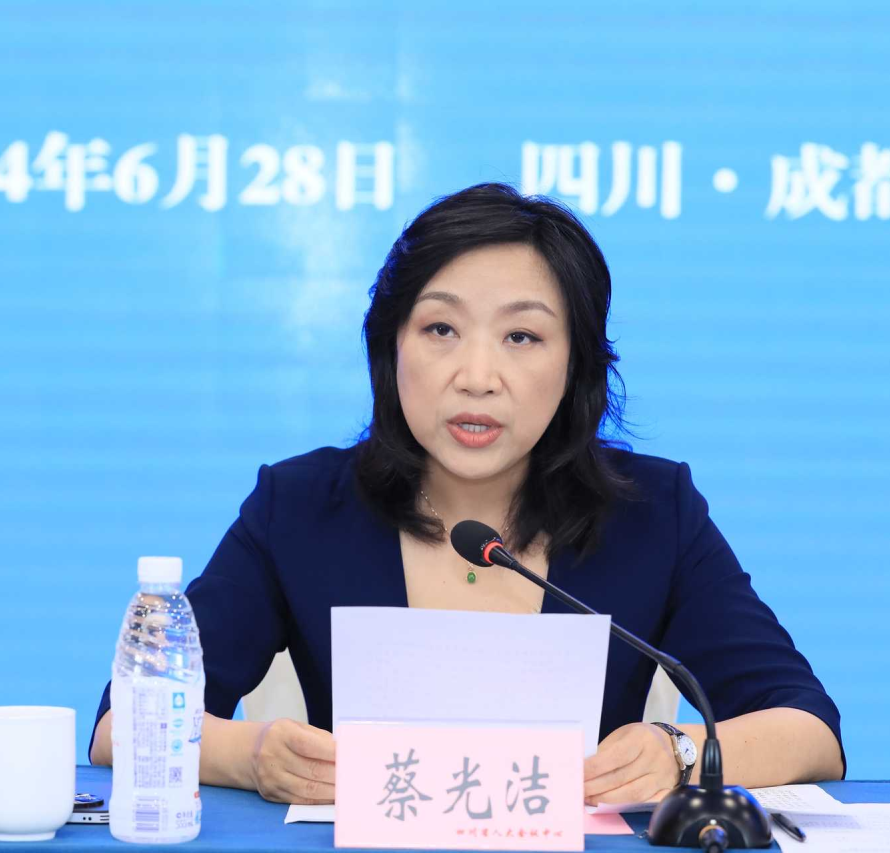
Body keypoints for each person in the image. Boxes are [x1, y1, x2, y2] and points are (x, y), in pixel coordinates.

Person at [89, 182, 845, 806]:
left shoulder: (652, 511)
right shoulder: (301, 504)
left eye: (522, 337)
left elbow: (811, 731)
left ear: (576, 366)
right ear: (391, 347)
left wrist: (678, 750)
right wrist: (251, 753)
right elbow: (121, 726)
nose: (476, 377)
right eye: (441, 329)